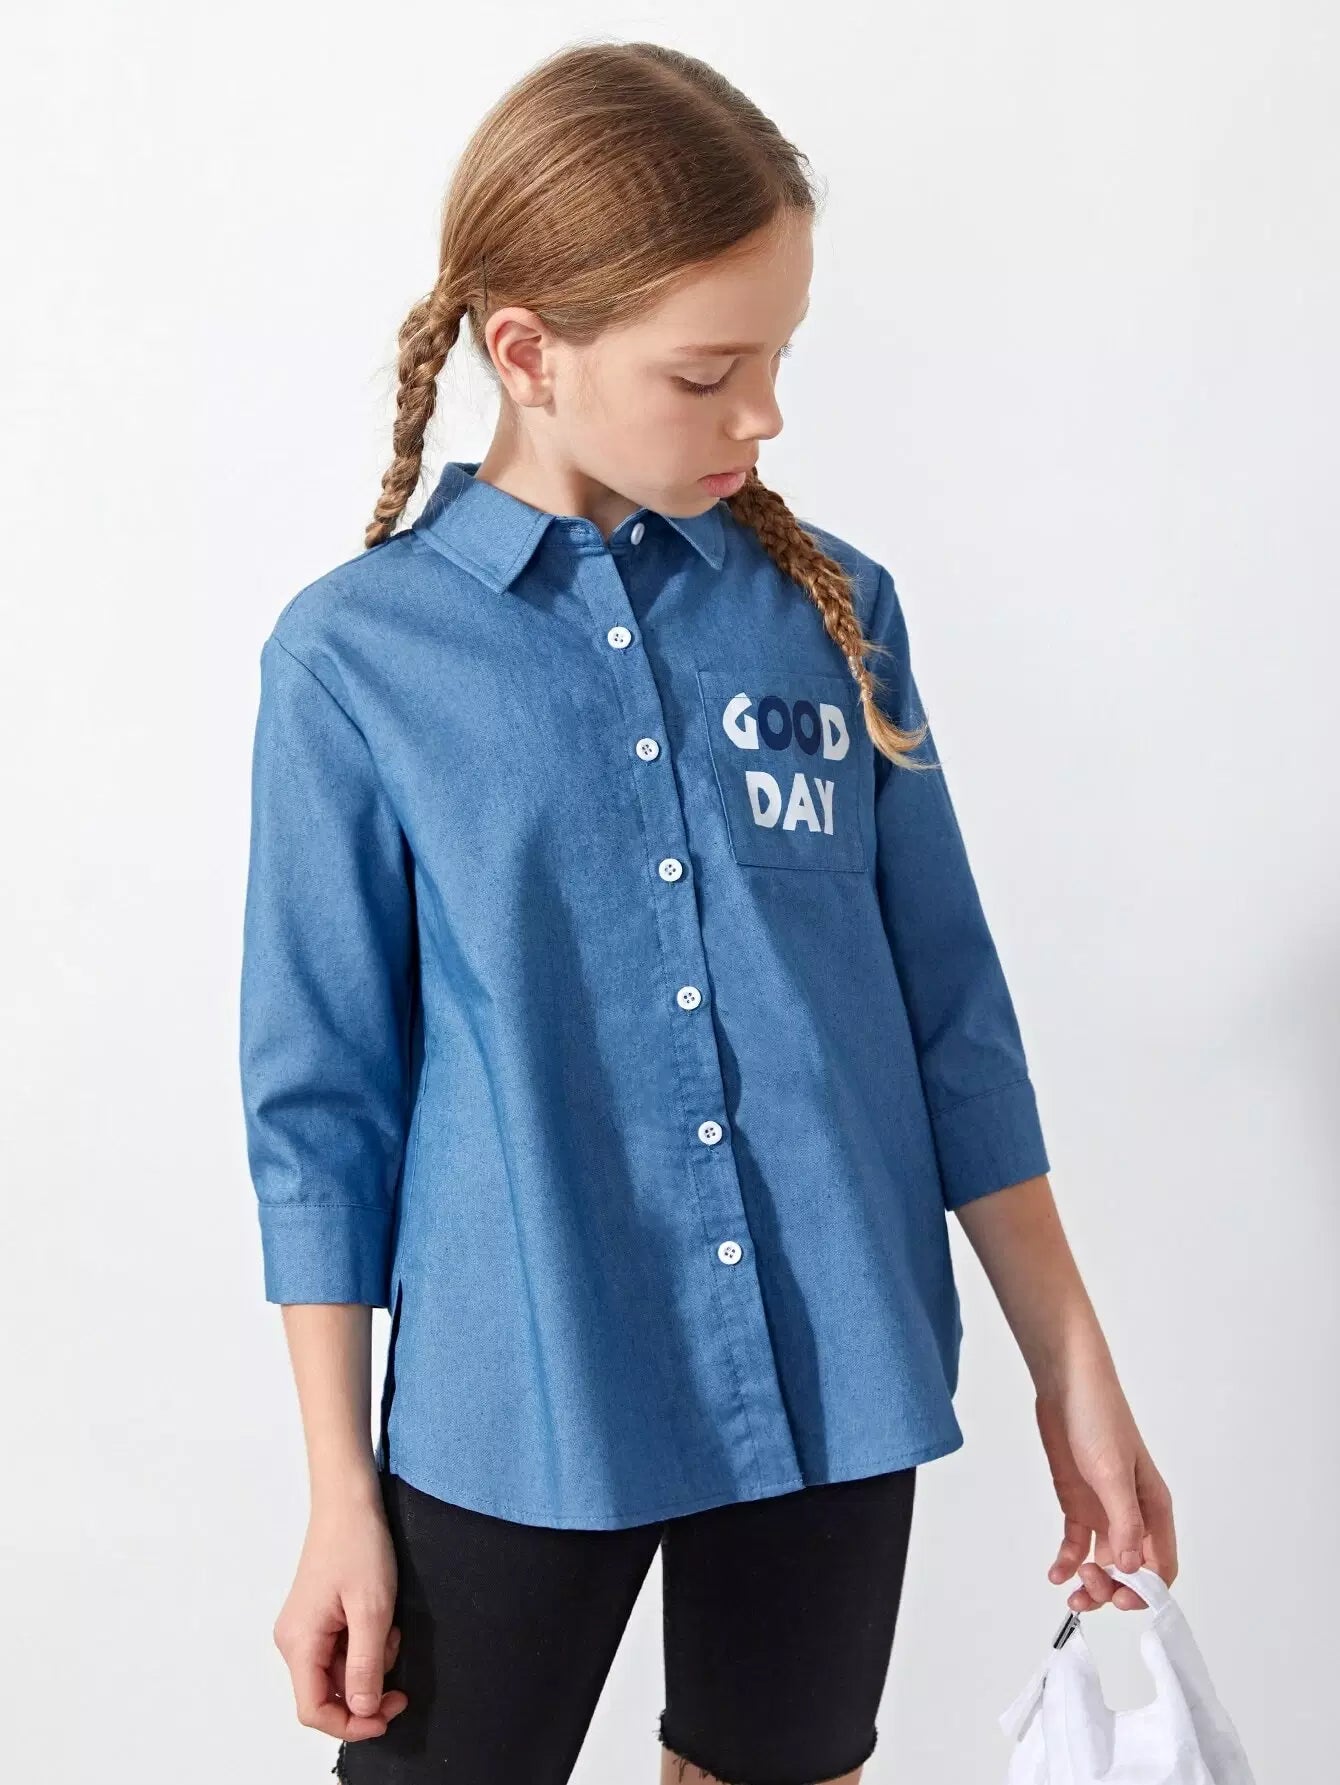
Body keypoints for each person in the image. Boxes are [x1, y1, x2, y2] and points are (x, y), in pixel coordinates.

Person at [238, 38, 1178, 1785]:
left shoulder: (833, 614)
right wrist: (337, 1493)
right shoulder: (356, 661)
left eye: (779, 359)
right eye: (709, 371)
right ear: (529, 352)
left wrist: (1076, 1368)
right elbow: (321, 1114)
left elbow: (953, 1025)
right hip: (523, 1390)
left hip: (833, 1368)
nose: (763, 417)